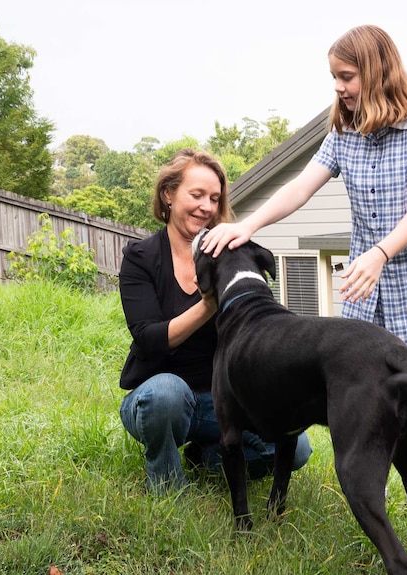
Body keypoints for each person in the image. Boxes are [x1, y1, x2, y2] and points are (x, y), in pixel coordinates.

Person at [201, 25, 407, 524]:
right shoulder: (343, 131)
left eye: (347, 76)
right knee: (360, 383)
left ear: (377, 71)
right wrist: (246, 225)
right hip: (366, 273)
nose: (338, 86)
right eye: (334, 77)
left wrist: (381, 253)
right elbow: (301, 188)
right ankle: (371, 491)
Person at [118, 148, 312, 493]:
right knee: (166, 392)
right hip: (159, 398)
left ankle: (207, 458)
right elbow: (150, 339)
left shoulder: (231, 254)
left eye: (214, 198)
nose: (206, 207)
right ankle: (167, 487)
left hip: (223, 399)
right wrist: (210, 303)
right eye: (196, 195)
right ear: (168, 194)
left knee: (297, 449)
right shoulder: (141, 258)